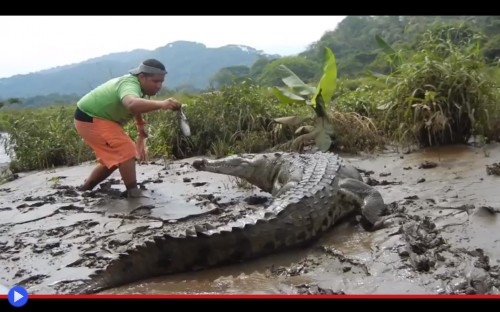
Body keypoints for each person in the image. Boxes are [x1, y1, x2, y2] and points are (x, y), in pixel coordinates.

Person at [73, 58, 181, 197]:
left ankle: (85, 189)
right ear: (142, 76)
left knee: (113, 161)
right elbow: (131, 103)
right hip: (90, 117)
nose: (159, 86)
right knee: (126, 150)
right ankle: (133, 193)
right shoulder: (129, 84)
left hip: (100, 119)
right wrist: (162, 104)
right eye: (155, 81)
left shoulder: (138, 86)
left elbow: (137, 105)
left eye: (161, 81)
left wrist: (140, 125)